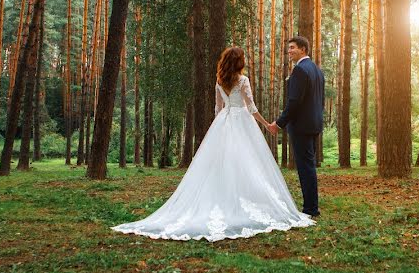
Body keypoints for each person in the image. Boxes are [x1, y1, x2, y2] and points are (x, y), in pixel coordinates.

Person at [112, 47, 314, 241]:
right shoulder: (243, 80)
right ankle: (242, 199)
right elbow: (251, 108)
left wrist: (219, 126)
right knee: (247, 162)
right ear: (239, 62)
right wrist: (267, 125)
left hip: (224, 121)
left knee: (223, 162)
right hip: (242, 121)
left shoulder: (219, 81)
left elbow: (218, 108)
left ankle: (227, 197)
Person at [268, 36, 323, 218]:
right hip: (313, 124)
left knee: (305, 167)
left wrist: (280, 123)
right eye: (289, 48)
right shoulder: (317, 70)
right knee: (309, 166)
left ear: (303, 49)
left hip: (301, 126)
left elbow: (294, 102)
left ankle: (310, 209)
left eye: (292, 48)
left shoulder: (300, 70)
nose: (289, 51)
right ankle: (312, 205)